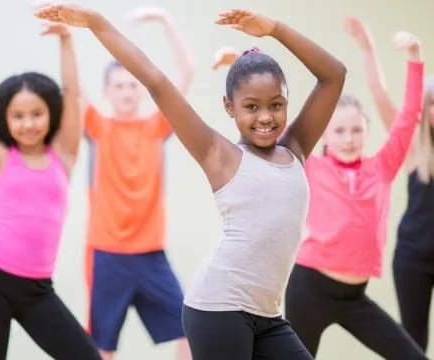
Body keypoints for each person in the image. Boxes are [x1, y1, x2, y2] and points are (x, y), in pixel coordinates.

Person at [35, 4, 346, 359]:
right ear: (230, 107)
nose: (265, 117)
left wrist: (275, 28)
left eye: (276, 105)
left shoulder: (296, 148)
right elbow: (154, 79)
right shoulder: (218, 153)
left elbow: (334, 74)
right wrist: (96, 22)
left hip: (269, 317)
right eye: (251, 106)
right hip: (218, 309)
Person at [0, 21, 101, 360]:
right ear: (4, 119)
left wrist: (66, 39)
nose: (28, 123)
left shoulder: (63, 154)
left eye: (37, 114)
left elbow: (72, 92)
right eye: (18, 116)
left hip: (37, 290)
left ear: (50, 114)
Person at [284, 28, 426, 359]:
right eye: (339, 131)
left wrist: (415, 58)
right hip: (309, 290)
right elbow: (275, 127)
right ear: (325, 136)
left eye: (357, 130)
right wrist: (240, 61)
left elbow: (408, 119)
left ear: (367, 132)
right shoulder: (311, 167)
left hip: (354, 297)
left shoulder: (382, 167)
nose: (349, 139)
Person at [82, 6, 194, 359]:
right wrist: (68, 32)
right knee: (103, 346)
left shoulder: (156, 127)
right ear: (107, 91)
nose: (127, 92)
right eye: (119, 86)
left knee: (192, 327)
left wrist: (167, 22)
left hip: (150, 254)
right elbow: (71, 88)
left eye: (133, 85)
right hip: (107, 255)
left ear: (142, 91)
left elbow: (188, 71)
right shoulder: (98, 127)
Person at [345, 16, 434, 353]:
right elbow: (379, 95)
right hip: (413, 257)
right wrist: (368, 48)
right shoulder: (413, 147)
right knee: (412, 342)